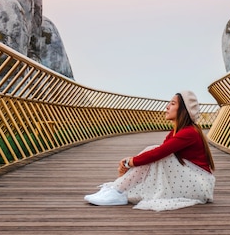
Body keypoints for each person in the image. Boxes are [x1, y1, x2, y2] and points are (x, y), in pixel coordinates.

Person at [84, 90, 216, 211]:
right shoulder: (176, 132)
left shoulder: (189, 132)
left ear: (183, 110)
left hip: (199, 185)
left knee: (155, 151)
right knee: (154, 153)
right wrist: (129, 164)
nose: (167, 107)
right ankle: (118, 189)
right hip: (190, 181)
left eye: (173, 104)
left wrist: (130, 162)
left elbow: (159, 153)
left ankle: (118, 190)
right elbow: (156, 155)